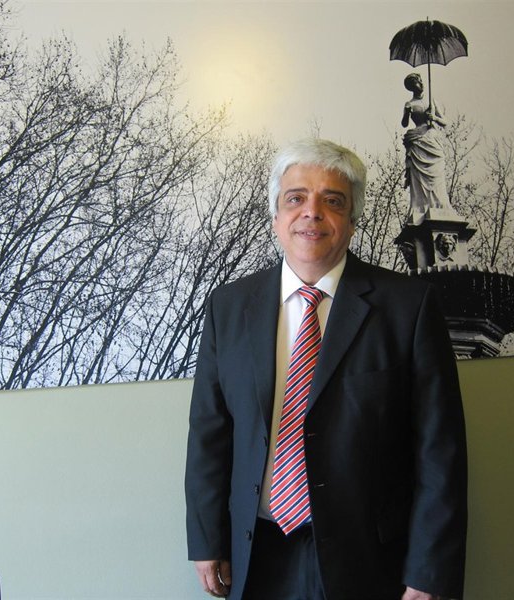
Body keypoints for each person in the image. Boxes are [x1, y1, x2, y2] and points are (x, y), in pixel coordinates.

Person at [185, 138, 467, 600]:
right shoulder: (228, 307)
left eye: (332, 201)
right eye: (295, 198)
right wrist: (206, 538)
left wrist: (431, 568)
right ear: (275, 218)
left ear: (353, 221)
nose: (311, 213)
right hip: (255, 553)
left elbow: (440, 449)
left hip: (370, 559)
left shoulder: (408, 307)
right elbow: (209, 434)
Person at [401, 72, 454, 223]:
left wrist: (434, 117)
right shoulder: (409, 104)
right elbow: (404, 124)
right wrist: (407, 113)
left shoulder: (431, 101)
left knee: (437, 174)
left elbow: (445, 122)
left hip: (431, 139)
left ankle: (439, 204)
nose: (420, 85)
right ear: (412, 87)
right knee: (419, 179)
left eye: (420, 82)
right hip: (417, 141)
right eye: (415, 84)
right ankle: (421, 207)